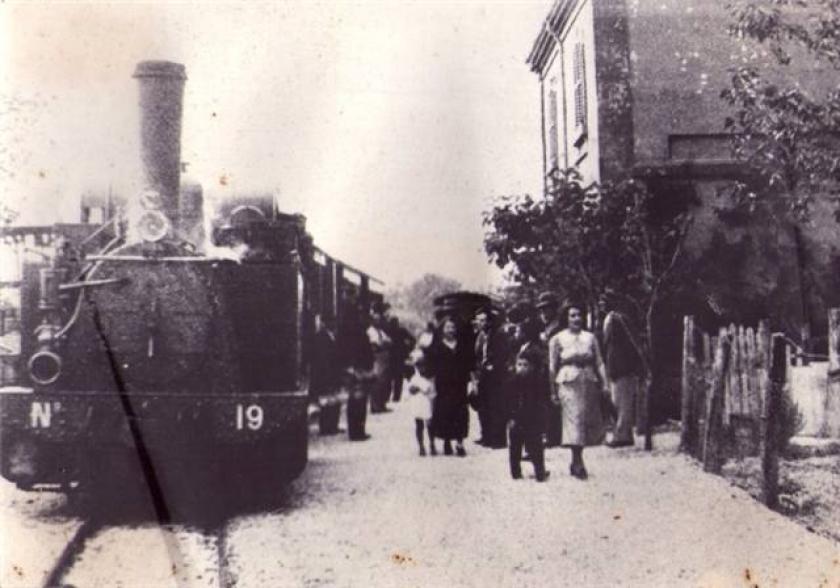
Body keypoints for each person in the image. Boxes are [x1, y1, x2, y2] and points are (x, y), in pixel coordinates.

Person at [548, 301, 608, 479]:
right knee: (574, 419)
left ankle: (576, 460)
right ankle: (578, 461)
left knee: (584, 420)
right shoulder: (557, 339)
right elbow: (552, 366)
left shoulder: (590, 338)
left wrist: (605, 383)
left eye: (579, 315)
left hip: (588, 380)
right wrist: (552, 390)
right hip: (568, 382)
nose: (576, 319)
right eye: (572, 315)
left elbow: (599, 362)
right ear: (566, 318)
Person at [600, 293, 646, 448]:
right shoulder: (610, 319)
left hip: (623, 365)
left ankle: (622, 435)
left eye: (604, 301)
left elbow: (632, 343)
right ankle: (623, 433)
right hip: (614, 364)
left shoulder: (619, 319)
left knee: (623, 402)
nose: (601, 304)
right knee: (617, 402)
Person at [427, 315, 474, 457]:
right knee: (444, 411)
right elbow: (431, 366)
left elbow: (469, 364)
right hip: (444, 384)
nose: (450, 330)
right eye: (447, 327)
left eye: (453, 327)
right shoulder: (436, 346)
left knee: (460, 412)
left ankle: (459, 443)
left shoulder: (462, 345)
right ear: (442, 329)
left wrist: (473, 381)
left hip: (459, 384)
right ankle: (446, 440)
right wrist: (432, 383)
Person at [507, 346, 550, 482]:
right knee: (515, 447)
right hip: (516, 418)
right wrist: (510, 417)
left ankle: (540, 471)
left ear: (532, 366)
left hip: (533, 419)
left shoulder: (537, 382)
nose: (522, 368)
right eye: (519, 364)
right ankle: (515, 471)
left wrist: (542, 420)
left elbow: (541, 402)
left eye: (525, 365)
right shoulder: (511, 382)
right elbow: (507, 402)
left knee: (536, 446)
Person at [472, 308, 509, 448]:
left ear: (489, 321)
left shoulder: (499, 334)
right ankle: (486, 436)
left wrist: (494, 365)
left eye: (483, 320)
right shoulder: (481, 336)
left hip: (496, 375)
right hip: (483, 374)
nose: (480, 323)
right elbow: (477, 354)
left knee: (496, 406)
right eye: (479, 320)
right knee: (483, 406)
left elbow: (504, 354)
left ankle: (498, 440)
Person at [537, 292, 564, 447]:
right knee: (546, 402)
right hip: (546, 368)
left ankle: (555, 435)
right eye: (541, 310)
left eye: (546, 309)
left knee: (555, 401)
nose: (543, 313)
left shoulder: (559, 327)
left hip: (557, 367)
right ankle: (549, 433)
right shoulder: (545, 327)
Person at [309, 313, 341, 435]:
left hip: (331, 373)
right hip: (325, 373)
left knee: (332, 400)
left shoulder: (331, 336)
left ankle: (332, 425)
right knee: (325, 401)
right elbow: (322, 358)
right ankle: (326, 427)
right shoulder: (321, 337)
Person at [405, 349, 437, 456]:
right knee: (419, 425)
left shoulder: (431, 378)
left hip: (427, 403)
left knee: (430, 425)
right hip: (417, 403)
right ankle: (421, 446)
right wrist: (417, 388)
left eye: (424, 366)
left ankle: (432, 444)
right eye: (419, 366)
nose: (422, 368)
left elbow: (431, 391)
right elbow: (410, 390)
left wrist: (421, 388)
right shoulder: (414, 377)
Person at [367, 301, 393, 413]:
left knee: (384, 382)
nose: (378, 322)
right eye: (375, 320)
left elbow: (390, 341)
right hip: (376, 358)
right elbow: (375, 345)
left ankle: (382, 404)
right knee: (377, 382)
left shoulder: (381, 331)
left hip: (384, 358)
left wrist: (384, 343)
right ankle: (375, 406)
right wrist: (383, 343)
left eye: (379, 320)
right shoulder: (370, 331)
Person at [387, 317, 414, 403]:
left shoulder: (388, 331)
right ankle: (396, 396)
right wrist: (409, 349)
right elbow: (413, 339)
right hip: (399, 356)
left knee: (390, 377)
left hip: (391, 356)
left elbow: (412, 339)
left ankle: (389, 396)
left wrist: (408, 349)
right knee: (398, 377)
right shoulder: (401, 330)